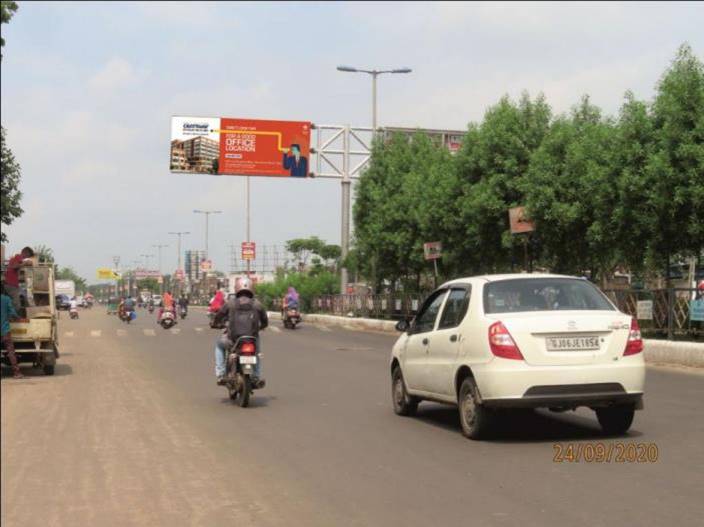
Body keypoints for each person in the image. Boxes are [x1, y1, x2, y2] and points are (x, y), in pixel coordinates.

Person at [213, 277, 268, 386]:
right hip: (252, 339)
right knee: (256, 353)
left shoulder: (231, 303)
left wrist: (215, 324)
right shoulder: (257, 304)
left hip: (233, 340)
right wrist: (260, 328)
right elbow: (265, 321)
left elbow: (219, 316)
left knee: (219, 346)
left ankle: (220, 374)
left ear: (237, 288)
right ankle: (256, 376)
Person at [1, 288, 25, 378]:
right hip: (5, 331)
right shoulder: (6, 299)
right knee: (11, 352)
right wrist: (18, 318)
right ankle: (17, 373)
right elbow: (12, 312)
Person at [3, 246, 34, 311]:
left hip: (11, 284)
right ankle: (13, 317)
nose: (27, 258)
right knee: (17, 304)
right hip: (11, 284)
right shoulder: (18, 257)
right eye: (28, 256)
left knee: (24, 298)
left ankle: (14, 316)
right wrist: (24, 263)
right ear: (25, 252)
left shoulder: (15, 258)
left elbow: (14, 268)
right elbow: (15, 266)